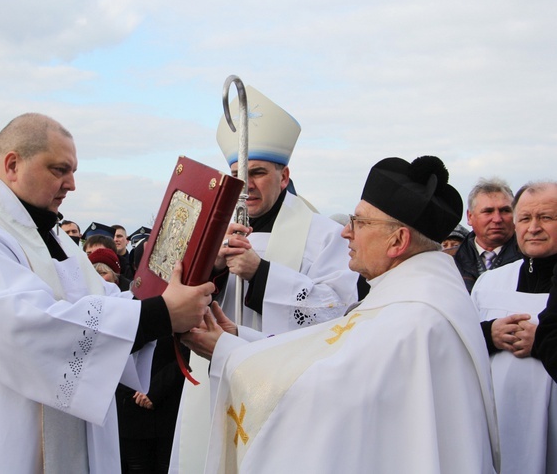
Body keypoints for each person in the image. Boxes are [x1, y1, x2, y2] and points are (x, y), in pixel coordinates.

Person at [0, 113, 214, 474]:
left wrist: (180, 286)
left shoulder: (52, 237)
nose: (72, 184)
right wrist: (159, 314)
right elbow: (29, 328)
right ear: (13, 165)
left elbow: (102, 303)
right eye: (59, 169)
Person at [183, 156, 499, 473]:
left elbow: (331, 394)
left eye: (359, 222)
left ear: (398, 240)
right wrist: (239, 338)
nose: (346, 232)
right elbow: (330, 350)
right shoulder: (413, 290)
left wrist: (226, 351)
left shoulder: (416, 316)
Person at [172, 85, 358, 474]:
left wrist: (262, 275)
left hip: (285, 384)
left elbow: (338, 315)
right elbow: (179, 297)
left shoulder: (323, 233)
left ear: (284, 175)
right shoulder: (213, 232)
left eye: (258, 173)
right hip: (213, 376)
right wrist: (214, 268)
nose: (248, 185)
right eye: (239, 175)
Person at [471, 181, 557, 473]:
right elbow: (460, 341)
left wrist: (543, 341)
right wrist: (490, 333)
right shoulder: (490, 282)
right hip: (499, 420)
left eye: (546, 218)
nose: (533, 228)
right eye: (525, 218)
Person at [455, 178, 522, 291]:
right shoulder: (450, 261)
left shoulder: (531, 259)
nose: (497, 219)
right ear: (470, 216)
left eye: (505, 210)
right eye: (488, 211)